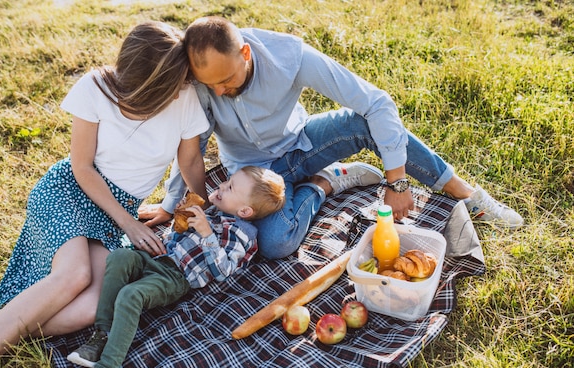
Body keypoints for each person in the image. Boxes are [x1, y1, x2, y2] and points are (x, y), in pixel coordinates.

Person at [0, 21, 210, 368]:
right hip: (72, 191)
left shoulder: (184, 96)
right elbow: (82, 168)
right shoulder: (96, 88)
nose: (179, 90)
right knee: (73, 277)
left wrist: (203, 204)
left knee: (89, 309)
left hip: (115, 211)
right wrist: (128, 222)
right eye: (170, 86)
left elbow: (189, 159)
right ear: (144, 85)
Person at [144, 16, 524, 260]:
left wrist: (397, 180)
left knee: (365, 123)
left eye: (228, 80)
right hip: (251, 175)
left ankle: (466, 193)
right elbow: (189, 150)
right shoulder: (202, 85)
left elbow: (377, 103)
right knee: (275, 244)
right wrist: (173, 203)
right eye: (212, 85)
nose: (221, 91)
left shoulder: (288, 55)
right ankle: (328, 182)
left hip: (304, 144)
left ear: (245, 53)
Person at [63, 166, 286, 368]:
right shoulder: (212, 212)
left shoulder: (242, 234)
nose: (222, 186)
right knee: (120, 257)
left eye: (230, 187)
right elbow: (176, 238)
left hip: (177, 277)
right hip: (159, 260)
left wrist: (206, 233)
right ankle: (102, 333)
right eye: (227, 181)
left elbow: (223, 270)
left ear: (245, 211)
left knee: (131, 295)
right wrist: (181, 220)